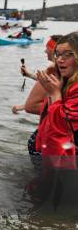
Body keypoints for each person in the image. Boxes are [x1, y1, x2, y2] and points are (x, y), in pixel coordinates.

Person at [34, 32, 78, 166]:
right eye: (58, 54)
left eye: (67, 54)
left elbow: (59, 132)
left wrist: (54, 94)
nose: (59, 59)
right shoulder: (65, 82)